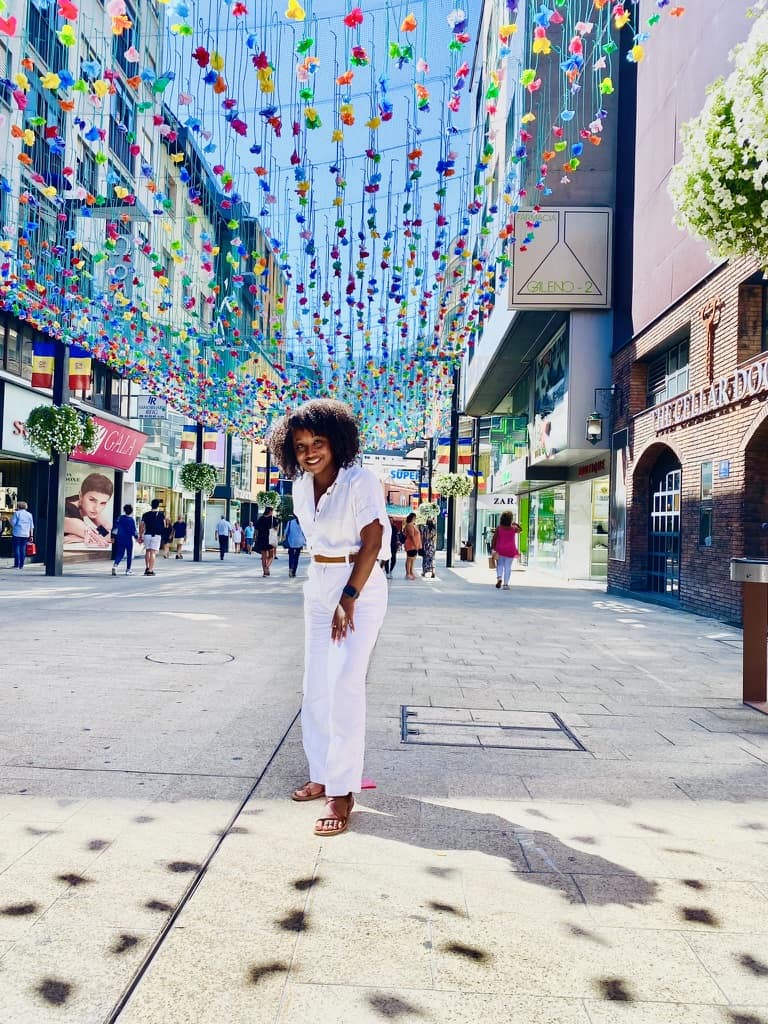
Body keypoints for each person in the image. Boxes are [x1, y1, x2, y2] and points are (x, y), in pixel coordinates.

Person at [270, 398, 390, 837]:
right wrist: (327, 592)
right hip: (319, 583)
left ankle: (343, 790)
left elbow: (373, 542)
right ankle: (321, 771)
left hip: (357, 584)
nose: (310, 452)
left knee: (343, 684)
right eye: (301, 445)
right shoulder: (301, 486)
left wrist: (349, 596)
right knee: (315, 685)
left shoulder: (361, 482)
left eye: (318, 442)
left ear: (337, 442)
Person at [63, 472, 113, 547]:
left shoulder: (80, 501)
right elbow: (110, 536)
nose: (96, 508)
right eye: (92, 500)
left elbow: (108, 530)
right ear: (81, 495)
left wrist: (79, 537)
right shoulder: (70, 511)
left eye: (102, 503)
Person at [492, 511, 522, 590]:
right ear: (510, 519)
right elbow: (520, 530)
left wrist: (493, 549)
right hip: (510, 550)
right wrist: (515, 523)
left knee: (500, 565)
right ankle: (505, 585)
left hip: (500, 550)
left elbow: (494, 539)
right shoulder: (513, 529)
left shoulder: (499, 528)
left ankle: (499, 578)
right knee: (508, 567)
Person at [139, 499, 165, 576]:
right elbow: (164, 525)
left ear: (151, 505)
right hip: (156, 535)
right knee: (153, 552)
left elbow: (142, 525)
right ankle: (150, 570)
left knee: (147, 551)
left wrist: (140, 535)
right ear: (158, 505)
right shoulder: (161, 515)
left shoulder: (145, 514)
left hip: (147, 534)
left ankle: (147, 567)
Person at [111, 504, 138, 576]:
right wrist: (136, 537)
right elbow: (134, 531)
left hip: (120, 538)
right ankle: (128, 570)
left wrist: (113, 537)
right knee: (129, 554)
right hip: (128, 539)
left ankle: (115, 565)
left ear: (124, 510)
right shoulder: (131, 520)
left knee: (120, 553)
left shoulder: (119, 518)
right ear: (131, 511)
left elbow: (115, 528)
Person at [256, 506, 279, 577]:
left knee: (264, 557)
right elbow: (276, 529)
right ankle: (267, 568)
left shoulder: (261, 518)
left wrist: (256, 537)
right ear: (270, 511)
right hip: (270, 539)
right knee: (271, 556)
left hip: (261, 539)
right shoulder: (273, 519)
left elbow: (256, 529)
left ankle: (265, 572)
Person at [10, 501, 34, 569]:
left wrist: (9, 520)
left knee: (16, 548)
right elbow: (31, 526)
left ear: (18, 506)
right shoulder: (29, 514)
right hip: (25, 534)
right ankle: (21, 565)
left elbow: (13, 523)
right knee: (23, 548)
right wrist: (31, 535)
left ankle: (16, 564)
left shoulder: (17, 513)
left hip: (17, 533)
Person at [284, 513, 306, 578]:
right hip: (300, 542)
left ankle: (290, 568)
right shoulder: (303, 523)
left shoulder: (290, 522)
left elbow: (286, 532)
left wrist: (284, 538)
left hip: (291, 541)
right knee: (296, 557)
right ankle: (294, 572)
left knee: (291, 556)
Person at [403, 512, 420, 580]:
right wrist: (415, 544)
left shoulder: (413, 525)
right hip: (411, 545)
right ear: (413, 518)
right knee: (409, 559)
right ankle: (408, 573)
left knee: (413, 559)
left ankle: (411, 572)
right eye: (415, 517)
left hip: (414, 545)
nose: (415, 519)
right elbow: (411, 536)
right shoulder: (409, 525)